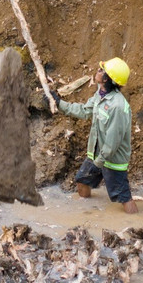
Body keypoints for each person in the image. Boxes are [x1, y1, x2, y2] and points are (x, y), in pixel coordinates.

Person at [52, 57, 137, 214]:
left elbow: (113, 142)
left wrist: (99, 163)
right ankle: (87, 212)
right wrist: (59, 103)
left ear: (106, 78)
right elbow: (84, 111)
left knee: (123, 197)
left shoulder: (118, 106)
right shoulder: (100, 95)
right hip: (96, 155)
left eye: (101, 70)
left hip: (112, 161)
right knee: (82, 181)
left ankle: (136, 222)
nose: (97, 70)